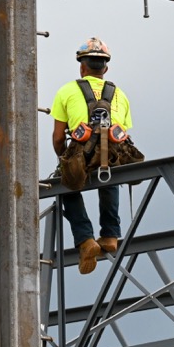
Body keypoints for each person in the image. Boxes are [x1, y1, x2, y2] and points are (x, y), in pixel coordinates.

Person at [51, 37, 134, 274]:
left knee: (67, 186)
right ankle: (110, 235)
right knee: (110, 174)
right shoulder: (120, 94)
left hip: (81, 150)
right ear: (105, 68)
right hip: (113, 151)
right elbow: (123, 132)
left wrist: (63, 160)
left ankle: (86, 239)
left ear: (82, 66)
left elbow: (58, 137)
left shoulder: (67, 91)